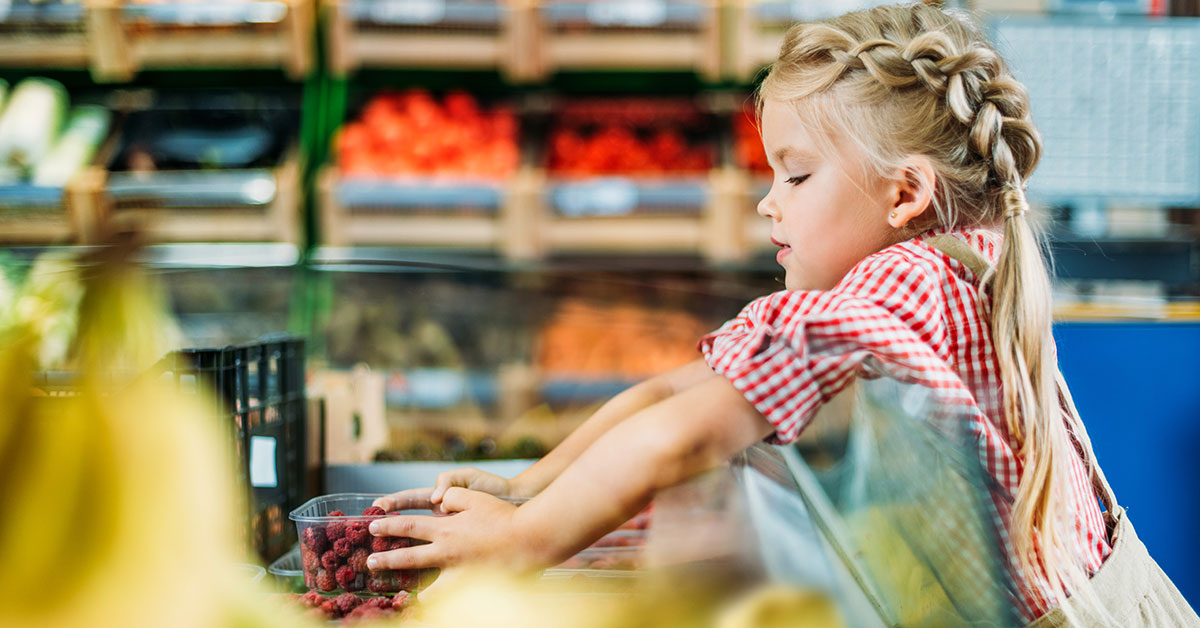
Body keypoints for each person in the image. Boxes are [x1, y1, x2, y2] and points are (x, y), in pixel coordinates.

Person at [366, 4, 1199, 626]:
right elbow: (677, 395)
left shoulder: (906, 286)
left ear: (905, 193)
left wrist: (523, 541)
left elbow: (686, 436)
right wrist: (525, 484)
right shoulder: (953, 262)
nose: (769, 204)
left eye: (796, 177)